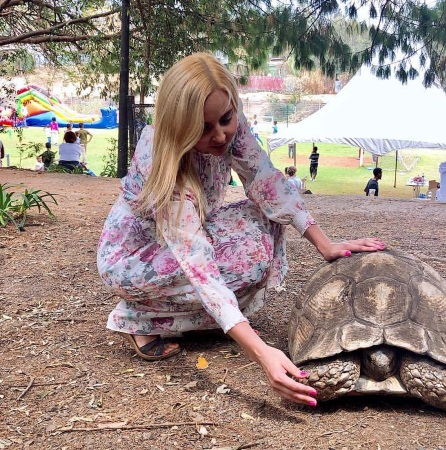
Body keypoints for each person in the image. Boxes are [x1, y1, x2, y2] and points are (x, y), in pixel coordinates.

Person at [96, 52, 385, 407]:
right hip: (134, 257)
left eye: (226, 119)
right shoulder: (162, 158)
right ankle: (138, 317)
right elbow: (197, 262)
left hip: (187, 232)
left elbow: (267, 182)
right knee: (239, 264)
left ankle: (210, 320)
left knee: (263, 236)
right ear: (179, 126)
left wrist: (323, 243)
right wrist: (263, 355)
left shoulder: (230, 128)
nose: (220, 135)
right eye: (203, 128)